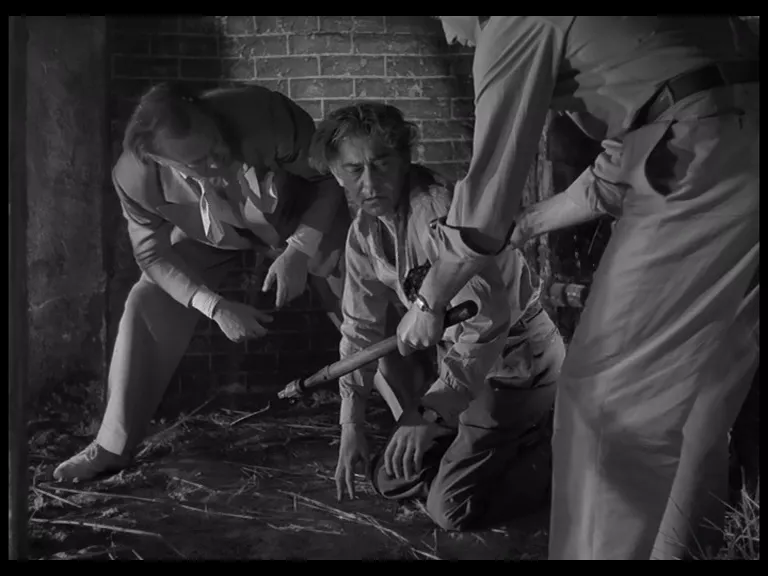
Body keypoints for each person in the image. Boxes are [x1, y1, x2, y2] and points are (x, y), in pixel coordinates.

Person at [395, 17, 759, 559]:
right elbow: (651, 131)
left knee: (601, 400)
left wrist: (430, 300)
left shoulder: (512, 22)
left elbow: (483, 203)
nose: (449, 35)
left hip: (700, 161)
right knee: (699, 392)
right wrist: (530, 223)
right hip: (733, 145)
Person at [53, 82, 350, 482]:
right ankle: (111, 446)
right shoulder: (133, 177)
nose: (218, 160)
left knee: (358, 294)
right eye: (199, 161)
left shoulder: (265, 114)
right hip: (212, 237)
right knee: (146, 301)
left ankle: (412, 408)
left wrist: (298, 250)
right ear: (160, 161)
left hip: (298, 219)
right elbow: (152, 254)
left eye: (216, 145)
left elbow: (327, 181)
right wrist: (214, 305)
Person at [308, 102, 566, 531]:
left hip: (514, 361)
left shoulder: (437, 210)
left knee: (451, 509)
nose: (369, 182)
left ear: (405, 159)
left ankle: (563, 454)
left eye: (381, 163)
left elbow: (485, 322)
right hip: (461, 366)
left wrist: (430, 414)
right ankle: (490, 452)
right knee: (389, 477)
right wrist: (351, 422)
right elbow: (359, 330)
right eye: (354, 170)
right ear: (337, 174)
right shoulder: (364, 233)